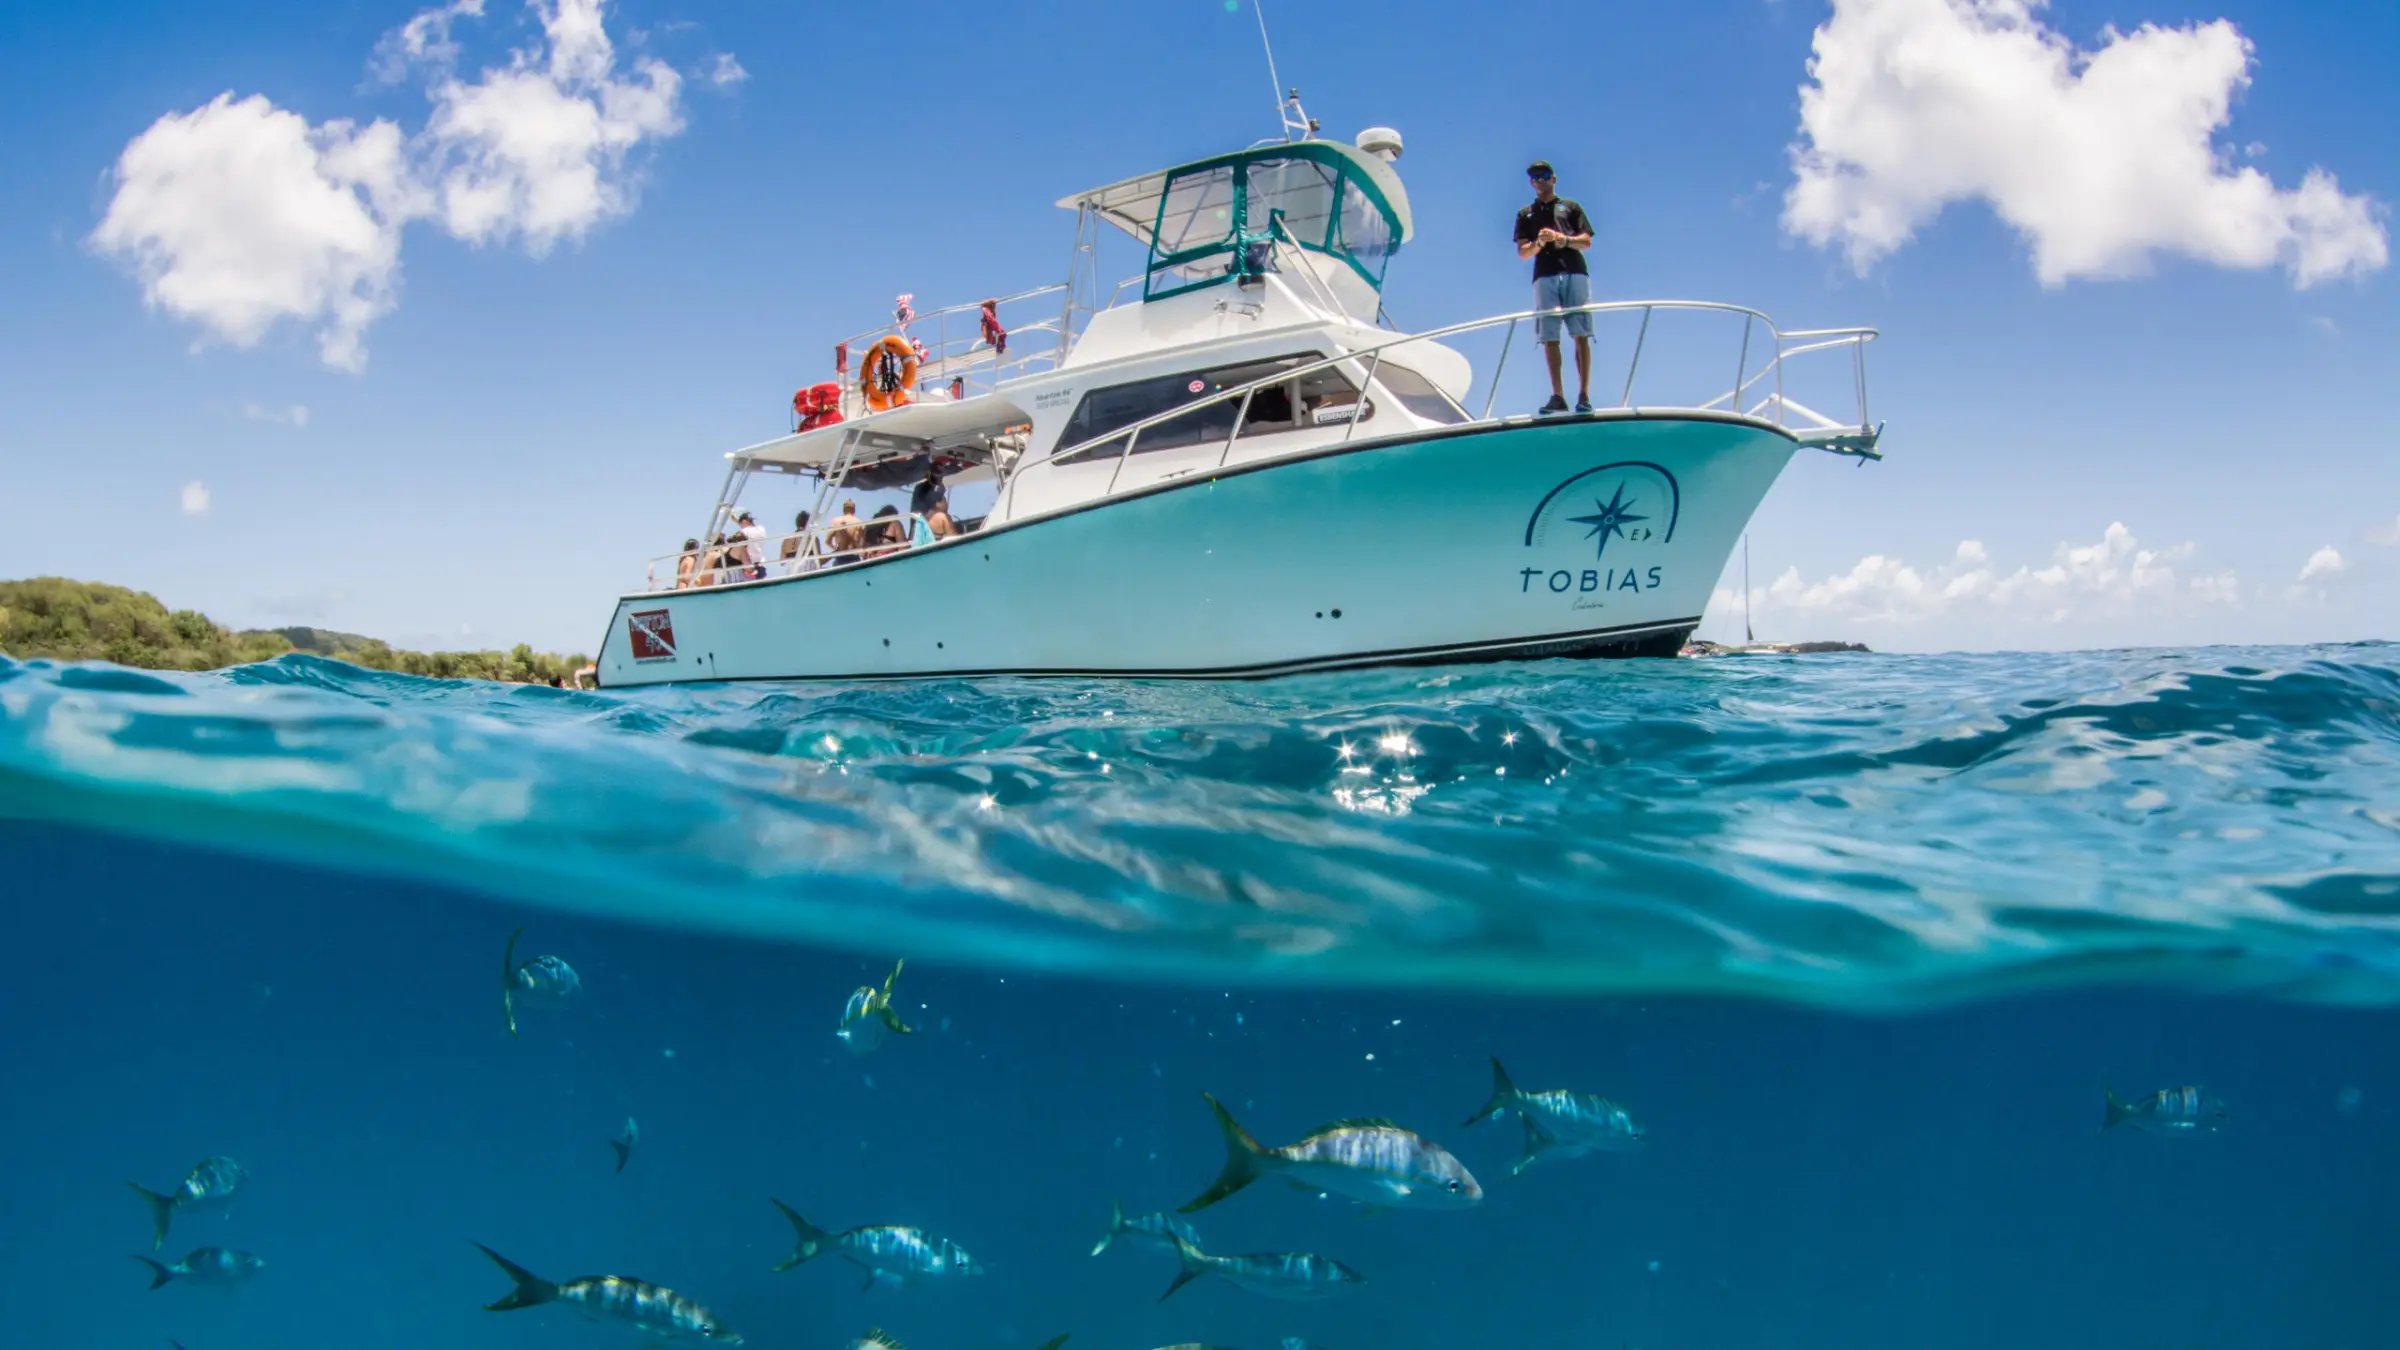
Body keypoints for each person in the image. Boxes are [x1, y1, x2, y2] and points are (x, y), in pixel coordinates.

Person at [1513, 160, 1595, 415]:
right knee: (1549, 336)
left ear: (1554, 178)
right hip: (1544, 275)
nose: (1539, 181)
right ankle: (1558, 395)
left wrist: (1564, 239)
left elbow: (1586, 241)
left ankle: (1584, 395)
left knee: (1580, 332)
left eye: (1544, 176)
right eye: (1535, 178)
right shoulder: (1526, 214)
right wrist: (1540, 241)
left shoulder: (1570, 207)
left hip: (1574, 271)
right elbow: (1524, 252)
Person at [823, 500, 863, 567]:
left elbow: (827, 541)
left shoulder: (835, 521)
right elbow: (861, 545)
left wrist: (835, 549)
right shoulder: (860, 522)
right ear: (854, 510)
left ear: (843, 510)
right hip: (854, 557)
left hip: (840, 556)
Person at [733, 509, 768, 580]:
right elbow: (751, 528)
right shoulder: (761, 529)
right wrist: (738, 520)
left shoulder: (743, 532)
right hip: (761, 564)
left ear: (744, 522)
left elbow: (743, 532)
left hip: (749, 566)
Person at [781, 510, 815, 575]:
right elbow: (819, 561)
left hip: (792, 574)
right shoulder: (812, 538)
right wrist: (834, 553)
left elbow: (782, 562)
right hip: (809, 574)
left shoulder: (786, 540)